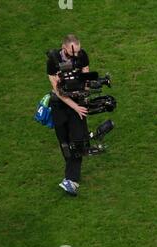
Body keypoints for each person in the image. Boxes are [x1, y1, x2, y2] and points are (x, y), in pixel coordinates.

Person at [47, 34, 90, 196]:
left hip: (77, 102)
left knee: (77, 140)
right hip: (60, 104)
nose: (76, 56)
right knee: (64, 143)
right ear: (64, 48)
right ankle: (71, 174)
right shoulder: (53, 60)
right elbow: (59, 91)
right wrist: (76, 107)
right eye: (73, 53)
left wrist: (83, 93)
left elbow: (86, 76)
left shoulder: (82, 55)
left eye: (78, 52)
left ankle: (71, 179)